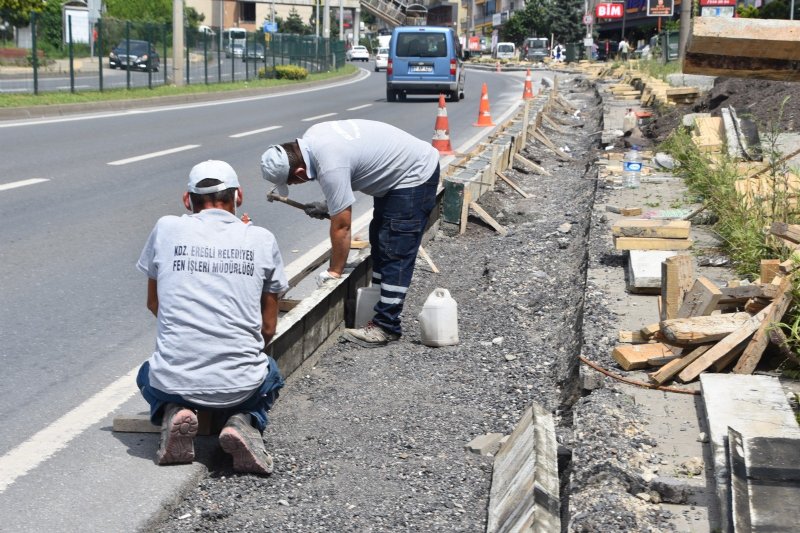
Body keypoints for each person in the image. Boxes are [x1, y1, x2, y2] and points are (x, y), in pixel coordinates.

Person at [136, 160, 289, 475]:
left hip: (173, 381)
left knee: (147, 372)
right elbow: (269, 328)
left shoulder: (166, 228)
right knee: (271, 373)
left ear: (187, 200)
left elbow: (155, 303)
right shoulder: (261, 238)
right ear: (239, 197)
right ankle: (243, 421)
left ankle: (172, 409)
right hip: (240, 385)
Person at [260, 119, 440, 348]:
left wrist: (334, 272)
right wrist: (329, 205)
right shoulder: (314, 138)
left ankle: (386, 326)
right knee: (380, 239)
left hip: (414, 175)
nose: (298, 184)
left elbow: (342, 226)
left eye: (294, 182)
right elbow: (349, 168)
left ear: (299, 170)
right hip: (397, 175)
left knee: (396, 247)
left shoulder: (329, 164)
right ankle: (377, 309)